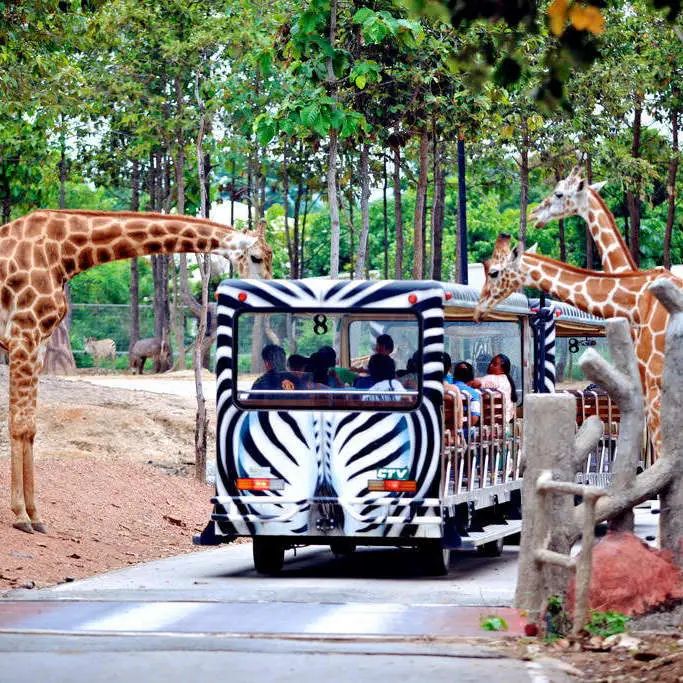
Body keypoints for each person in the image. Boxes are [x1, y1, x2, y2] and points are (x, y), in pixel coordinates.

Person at [468, 353, 517, 423]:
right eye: (491, 362)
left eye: (495, 364)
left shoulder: (493, 378)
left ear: (502, 369)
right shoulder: (506, 379)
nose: (490, 365)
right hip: (505, 422)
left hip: (492, 422)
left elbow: (475, 383)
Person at [450, 359, 481, 426]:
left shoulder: (446, 389)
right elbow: (474, 419)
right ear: (471, 379)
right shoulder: (474, 394)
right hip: (462, 430)